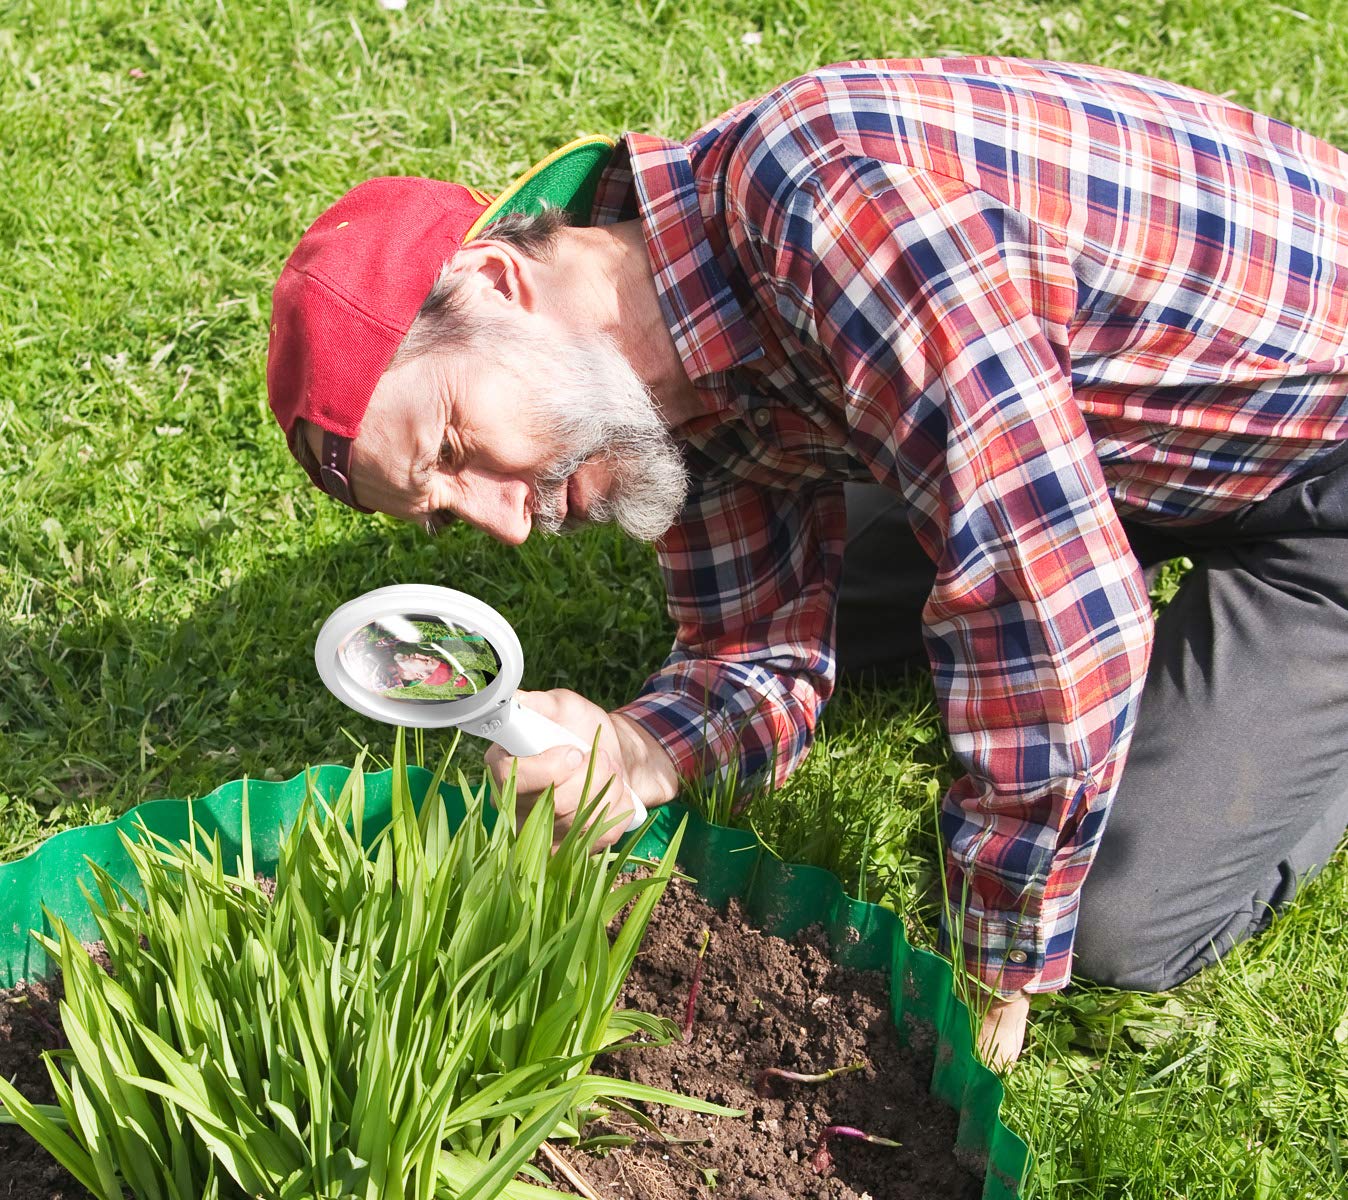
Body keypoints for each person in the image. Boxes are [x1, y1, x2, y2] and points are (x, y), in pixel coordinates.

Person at [266, 58, 1348, 1066]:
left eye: (455, 447)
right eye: (447, 515)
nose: (505, 525)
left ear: (501, 283)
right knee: (938, 565)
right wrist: (634, 750)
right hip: (1108, 433)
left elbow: (1047, 597)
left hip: (1318, 460)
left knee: (1115, 918)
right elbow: (759, 655)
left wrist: (995, 956)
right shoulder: (648, 381)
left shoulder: (830, 208)